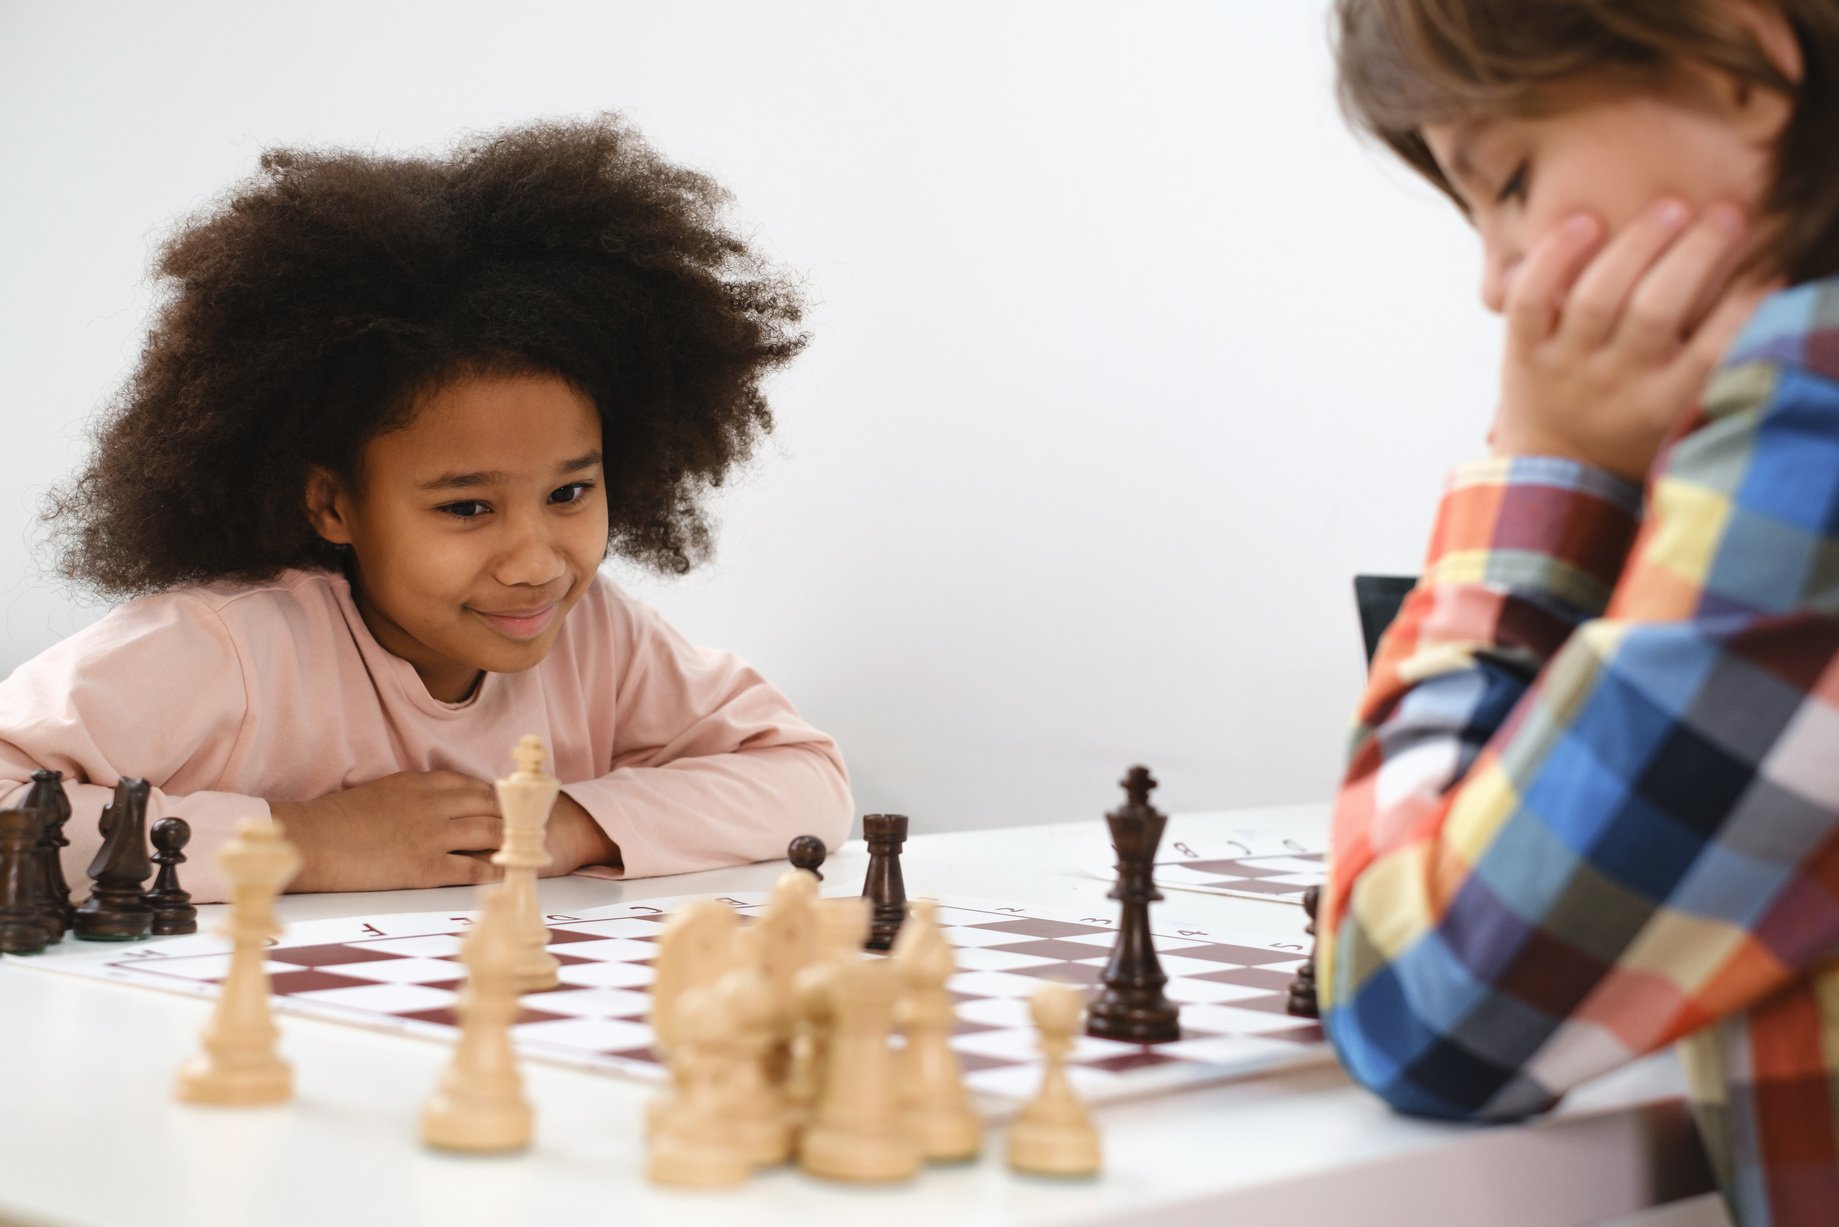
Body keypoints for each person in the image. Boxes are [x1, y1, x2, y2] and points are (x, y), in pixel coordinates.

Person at [0, 116, 852, 904]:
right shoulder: (225, 651)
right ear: (333, 503)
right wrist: (301, 840)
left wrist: (570, 821)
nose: (534, 561)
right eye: (468, 506)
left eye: (568, 493)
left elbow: (807, 776)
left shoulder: (599, 637)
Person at [1320, 2, 1839, 1221]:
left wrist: (1546, 461)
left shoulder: (1813, 417)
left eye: (1505, 181)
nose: (1498, 283)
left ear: (1744, 64)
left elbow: (1426, 1001)